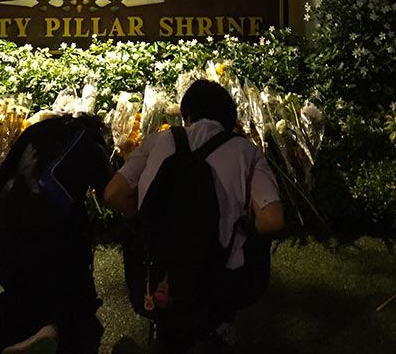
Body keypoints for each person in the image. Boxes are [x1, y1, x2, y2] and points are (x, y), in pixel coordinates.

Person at [103, 79, 284, 351]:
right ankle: (219, 327)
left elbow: (113, 194)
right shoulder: (246, 151)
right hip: (219, 277)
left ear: (186, 114)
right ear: (229, 118)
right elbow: (273, 220)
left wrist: (146, 216)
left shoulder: (158, 141)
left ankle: (163, 325)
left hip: (157, 269)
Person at [0, 113, 113, 354]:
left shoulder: (36, 130)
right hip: (47, 246)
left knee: (36, 297)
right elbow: (111, 194)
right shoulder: (91, 146)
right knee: (78, 302)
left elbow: (1, 178)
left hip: (1, 243)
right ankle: (46, 336)